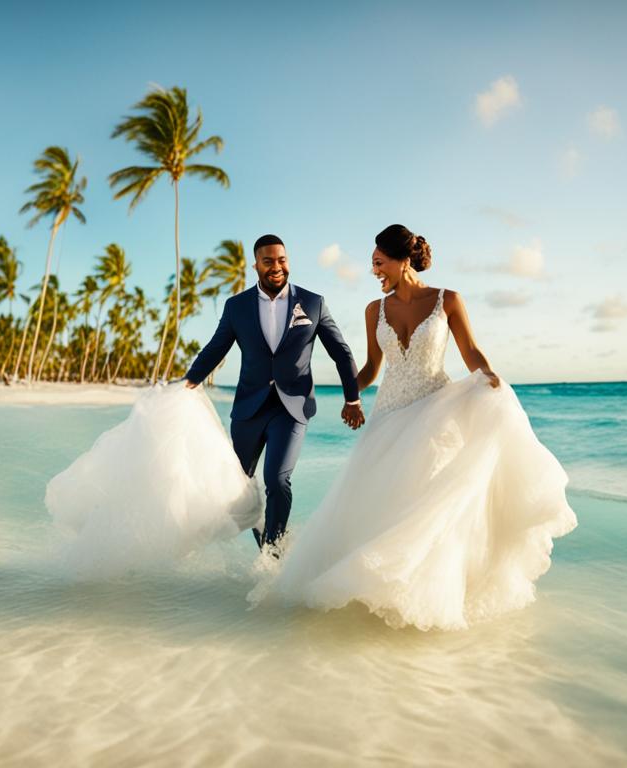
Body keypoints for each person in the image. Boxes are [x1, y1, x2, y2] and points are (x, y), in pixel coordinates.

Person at [253, 224, 578, 630]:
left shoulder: (448, 301)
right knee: (380, 501)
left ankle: (422, 593)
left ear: (403, 260)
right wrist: (349, 394)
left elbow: (471, 351)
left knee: (426, 505)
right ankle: (374, 587)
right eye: (373, 265)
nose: (375, 272)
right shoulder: (375, 310)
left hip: (435, 412)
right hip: (389, 414)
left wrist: (489, 377)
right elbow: (373, 367)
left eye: (379, 263)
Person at [183, 234, 363, 554]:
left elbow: (341, 352)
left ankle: (273, 553)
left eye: (282, 260)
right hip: (248, 411)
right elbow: (215, 349)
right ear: (256, 265)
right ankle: (267, 544)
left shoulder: (312, 302)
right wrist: (188, 383)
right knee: (240, 487)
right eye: (268, 261)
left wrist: (352, 399)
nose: (277, 267)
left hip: (292, 407)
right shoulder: (236, 306)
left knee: (277, 480)